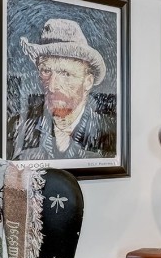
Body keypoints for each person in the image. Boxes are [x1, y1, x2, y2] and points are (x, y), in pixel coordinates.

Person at [7, 18, 115, 160]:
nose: (52, 86)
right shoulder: (17, 127)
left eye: (65, 73)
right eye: (46, 71)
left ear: (88, 81)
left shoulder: (108, 131)